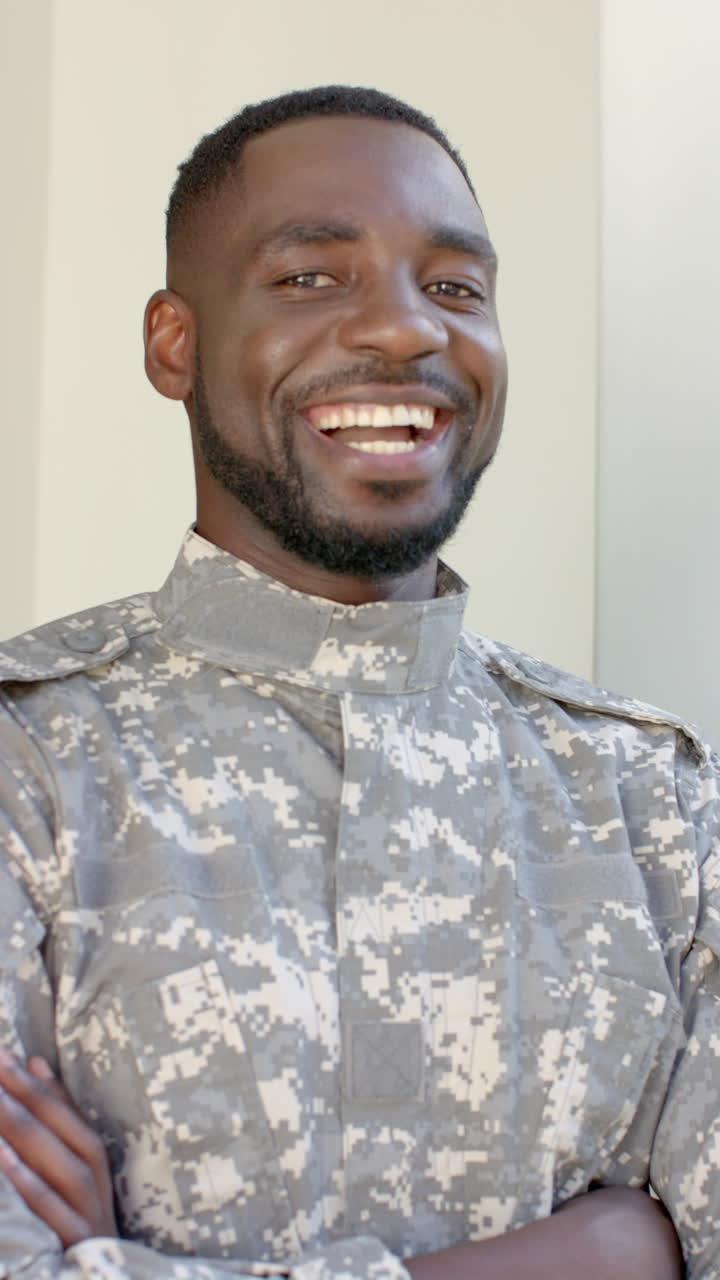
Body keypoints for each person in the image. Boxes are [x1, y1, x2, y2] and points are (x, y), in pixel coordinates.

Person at [0, 85, 716, 1280]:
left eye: (455, 287)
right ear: (174, 342)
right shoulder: (30, 758)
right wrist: (607, 1251)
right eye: (310, 278)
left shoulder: (653, 799)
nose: (405, 332)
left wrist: (111, 1262)